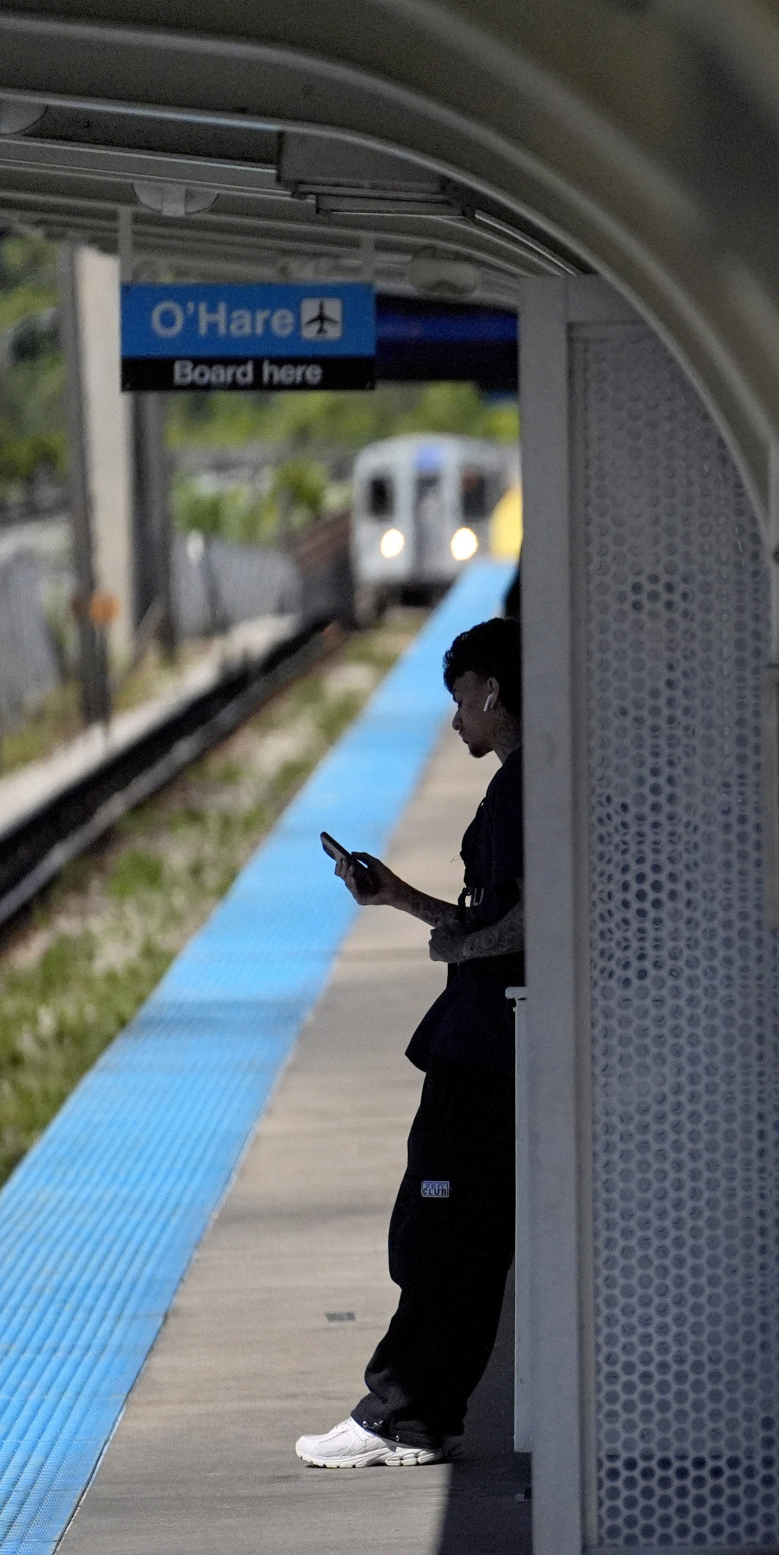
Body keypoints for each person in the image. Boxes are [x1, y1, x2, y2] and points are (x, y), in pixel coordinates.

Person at [296, 616, 525, 1468]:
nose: (456, 717)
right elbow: (490, 918)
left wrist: (461, 945)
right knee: (454, 1236)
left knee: (442, 1232)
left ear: (492, 691)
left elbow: (532, 919)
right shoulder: (521, 787)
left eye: (461, 697)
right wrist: (400, 898)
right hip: (485, 1041)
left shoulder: (521, 790)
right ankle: (421, 1415)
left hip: (489, 1049)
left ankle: (397, 1410)